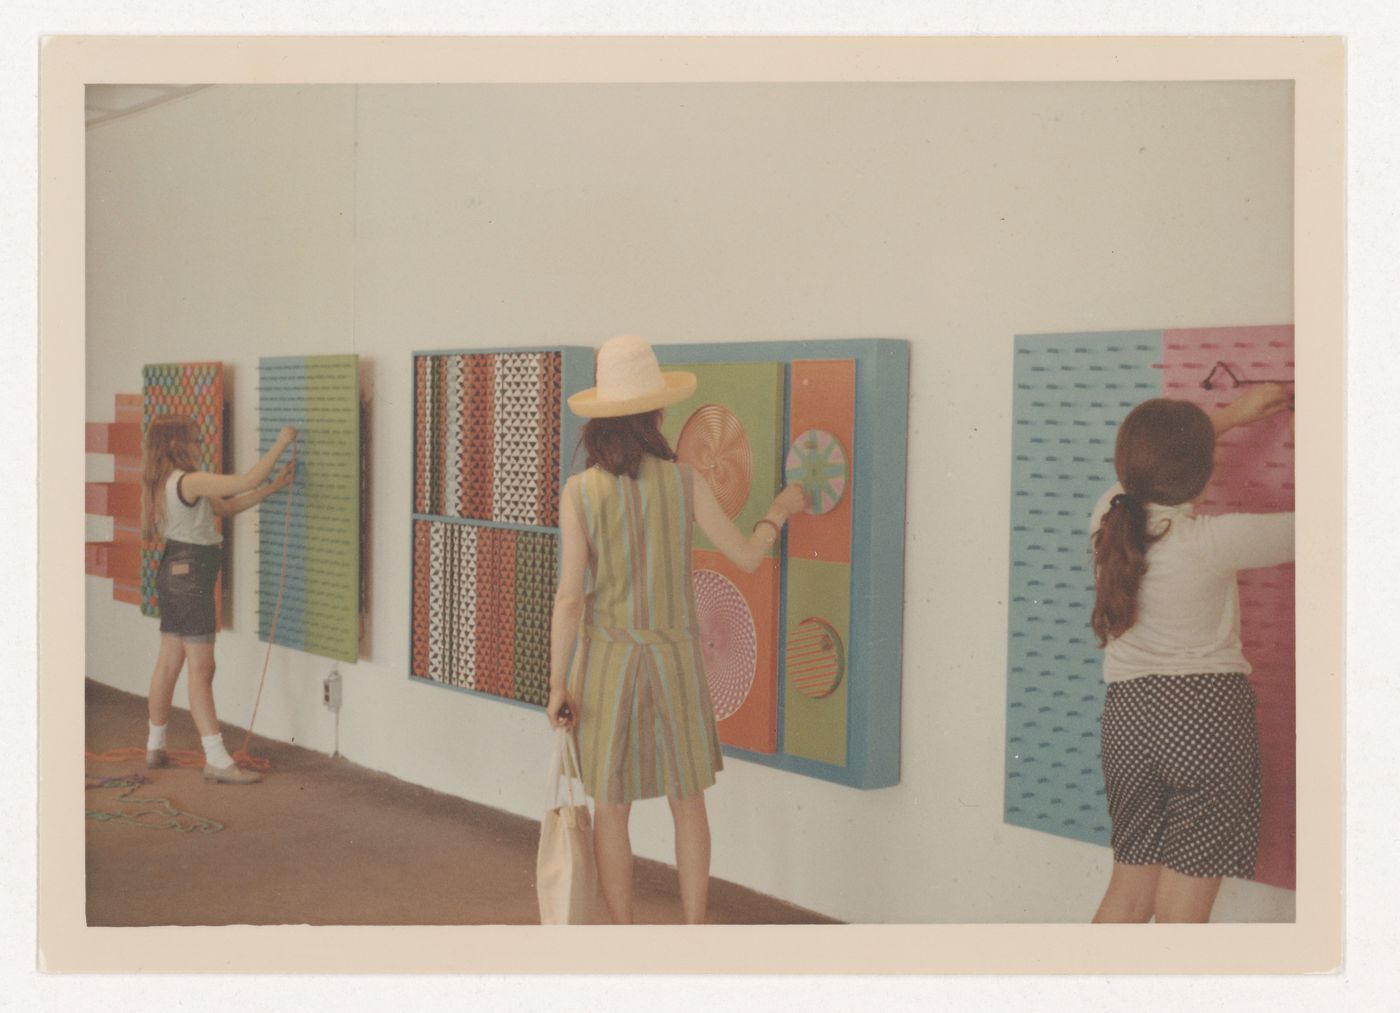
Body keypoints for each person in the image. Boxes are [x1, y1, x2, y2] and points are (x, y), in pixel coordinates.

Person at [546, 334, 806, 924]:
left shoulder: (580, 493)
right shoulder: (684, 480)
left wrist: (558, 683)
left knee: (611, 808)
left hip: (608, 664)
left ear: (600, 421)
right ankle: (693, 932)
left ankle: (627, 935)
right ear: (656, 414)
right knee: (687, 803)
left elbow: (569, 599)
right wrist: (779, 511)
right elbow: (744, 556)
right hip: (677, 663)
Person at [1088, 383, 1294, 923]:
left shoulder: (1106, 525)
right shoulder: (1214, 541)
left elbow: (1133, 481)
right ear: (1204, 475)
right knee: (1183, 916)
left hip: (1127, 722)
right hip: (1205, 719)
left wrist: (1220, 420)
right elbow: (1332, 524)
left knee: (1127, 891)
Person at [140, 414, 298, 785]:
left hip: (173, 573)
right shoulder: (190, 480)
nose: (199, 445)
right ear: (178, 444)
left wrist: (273, 489)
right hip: (192, 578)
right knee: (202, 669)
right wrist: (282, 440)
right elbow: (245, 480)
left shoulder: (167, 481)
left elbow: (224, 508)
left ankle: (155, 745)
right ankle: (216, 759)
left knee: (169, 663)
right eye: (194, 439)